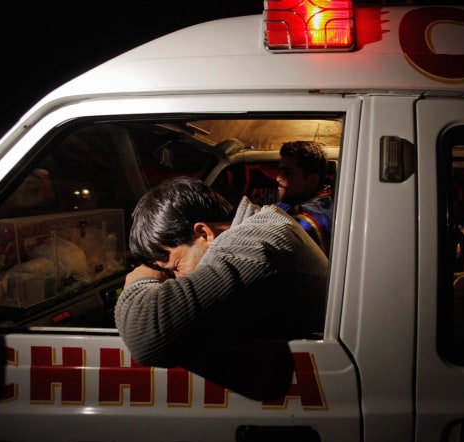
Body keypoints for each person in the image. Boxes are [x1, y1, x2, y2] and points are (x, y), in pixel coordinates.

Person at [114, 176, 329, 399]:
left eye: (176, 267)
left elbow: (147, 338)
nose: (176, 279)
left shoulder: (253, 245)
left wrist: (141, 279)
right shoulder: (263, 227)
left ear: (204, 234)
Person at [275, 140, 333, 256]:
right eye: (279, 171)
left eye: (287, 173)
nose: (278, 178)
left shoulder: (306, 221)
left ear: (312, 180)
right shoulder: (308, 199)